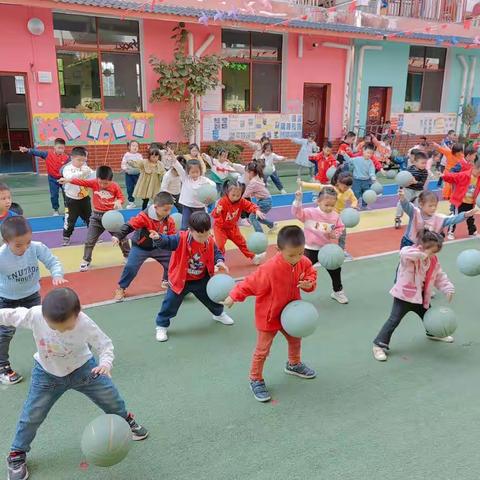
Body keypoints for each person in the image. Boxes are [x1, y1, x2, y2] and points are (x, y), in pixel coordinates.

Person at [2, 288, 148, 480]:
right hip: (47, 374)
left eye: (66, 327)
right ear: (44, 315)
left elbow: (105, 345)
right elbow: (8, 315)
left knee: (110, 397)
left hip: (84, 370)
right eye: (53, 326)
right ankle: (17, 453)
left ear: (77, 314)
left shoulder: (85, 323)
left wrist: (105, 363)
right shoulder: (35, 315)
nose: (59, 330)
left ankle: (125, 419)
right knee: (32, 414)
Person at [223, 225, 317, 402]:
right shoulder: (269, 269)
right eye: (291, 255)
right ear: (279, 250)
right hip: (269, 315)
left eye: (300, 252)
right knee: (262, 350)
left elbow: (311, 274)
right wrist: (233, 296)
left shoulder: (303, 262)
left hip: (291, 314)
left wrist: (309, 283)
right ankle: (255, 378)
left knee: (295, 340)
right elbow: (249, 283)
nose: (296, 258)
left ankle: (294, 363)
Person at [0, 216, 66, 386]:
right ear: (7, 242)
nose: (25, 247)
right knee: (4, 333)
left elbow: (52, 261)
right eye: (18, 245)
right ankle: (2, 367)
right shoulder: (1, 256)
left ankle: (54, 357)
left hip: (31, 296)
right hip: (6, 300)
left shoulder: (36, 248)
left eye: (28, 242)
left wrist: (57, 274)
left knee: (45, 325)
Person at [150, 211, 234, 343]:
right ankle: (161, 325)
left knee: (211, 299)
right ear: (190, 230)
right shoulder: (180, 238)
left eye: (206, 235)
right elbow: (167, 241)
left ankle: (218, 314)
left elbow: (217, 252)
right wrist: (158, 238)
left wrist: (220, 261)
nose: (203, 238)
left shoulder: (209, 240)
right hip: (180, 280)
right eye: (199, 236)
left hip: (201, 278)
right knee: (170, 303)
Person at [372, 230, 455, 362]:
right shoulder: (409, 255)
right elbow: (404, 253)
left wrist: (448, 289)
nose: (433, 255)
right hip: (404, 297)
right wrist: (421, 254)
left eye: (435, 252)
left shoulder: (432, 260)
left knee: (428, 316)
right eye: (432, 251)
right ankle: (379, 345)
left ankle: (432, 332)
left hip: (421, 296)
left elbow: (439, 276)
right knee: (394, 320)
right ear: (422, 247)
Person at [59, 166, 130, 271]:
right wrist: (68, 180)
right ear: (97, 179)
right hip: (96, 217)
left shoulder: (115, 186)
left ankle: (128, 256)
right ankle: (86, 260)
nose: (102, 185)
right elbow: (81, 182)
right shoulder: (94, 183)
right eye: (100, 182)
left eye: (106, 183)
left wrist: (118, 202)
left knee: (122, 238)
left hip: (111, 217)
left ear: (111, 180)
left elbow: (121, 198)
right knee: (89, 241)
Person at [112, 192, 176, 301]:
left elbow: (172, 238)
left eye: (170, 210)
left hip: (159, 247)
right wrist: (118, 236)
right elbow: (129, 226)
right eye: (165, 210)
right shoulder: (144, 217)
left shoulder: (169, 220)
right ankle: (121, 288)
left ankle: (167, 280)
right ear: (156, 207)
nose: (168, 212)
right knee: (131, 267)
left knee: (173, 261)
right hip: (140, 247)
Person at [292, 186, 348, 304]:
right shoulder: (309, 213)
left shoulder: (335, 216)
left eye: (332, 206)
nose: (329, 208)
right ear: (318, 201)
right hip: (308, 249)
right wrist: (298, 200)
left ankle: (337, 291)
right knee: (298, 272)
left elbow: (341, 227)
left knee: (335, 270)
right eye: (326, 205)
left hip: (326, 250)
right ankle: (292, 295)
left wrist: (335, 234)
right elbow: (297, 213)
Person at [298, 169, 357, 259]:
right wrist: (304, 184)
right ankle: (306, 245)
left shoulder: (349, 192)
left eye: (348, 187)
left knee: (342, 234)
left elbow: (354, 200)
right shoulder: (331, 189)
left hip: (338, 217)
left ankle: (342, 250)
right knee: (317, 229)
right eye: (345, 187)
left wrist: (353, 206)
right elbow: (319, 187)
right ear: (338, 182)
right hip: (325, 215)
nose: (346, 189)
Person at [212, 180, 266, 265]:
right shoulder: (223, 201)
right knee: (219, 245)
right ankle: (219, 261)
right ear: (227, 192)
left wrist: (256, 210)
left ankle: (254, 258)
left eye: (238, 195)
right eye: (233, 195)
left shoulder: (241, 201)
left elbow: (250, 205)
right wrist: (217, 211)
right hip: (220, 228)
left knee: (242, 243)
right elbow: (214, 215)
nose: (235, 197)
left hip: (233, 228)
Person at [398, 190, 474, 249]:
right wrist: (402, 198)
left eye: (435, 205)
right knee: (406, 265)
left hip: (425, 246)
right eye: (430, 206)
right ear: (421, 204)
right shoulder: (415, 213)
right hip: (408, 242)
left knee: (422, 265)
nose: (433, 208)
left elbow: (453, 219)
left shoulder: (438, 218)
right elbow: (407, 206)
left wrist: (465, 215)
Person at [19, 138, 69, 216]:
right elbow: (36, 152)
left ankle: (67, 208)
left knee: (67, 194)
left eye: (62, 148)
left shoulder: (66, 157)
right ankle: (55, 209)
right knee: (54, 195)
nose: (61, 150)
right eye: (59, 148)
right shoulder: (47, 154)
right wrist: (27, 150)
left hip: (63, 179)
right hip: (52, 179)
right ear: (54, 147)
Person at [171, 157, 216, 230]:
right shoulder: (185, 178)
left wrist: (209, 189)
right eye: (192, 172)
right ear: (188, 172)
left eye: (197, 172)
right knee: (184, 226)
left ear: (200, 171)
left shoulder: (203, 180)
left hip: (200, 207)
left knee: (201, 225)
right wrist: (172, 157)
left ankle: (202, 239)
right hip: (187, 206)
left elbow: (213, 184)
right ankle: (183, 238)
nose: (195, 174)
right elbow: (178, 168)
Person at [61, 146, 94, 246]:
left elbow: (93, 176)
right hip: (71, 199)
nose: (81, 163)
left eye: (83, 161)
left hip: (84, 198)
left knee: (90, 218)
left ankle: (93, 236)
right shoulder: (67, 168)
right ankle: (66, 237)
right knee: (70, 220)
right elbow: (69, 177)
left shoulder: (85, 168)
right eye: (79, 160)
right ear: (72, 158)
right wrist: (81, 173)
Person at [442, 158, 480, 239]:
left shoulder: (479, 179)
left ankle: (472, 232)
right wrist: (444, 176)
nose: (479, 174)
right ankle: (450, 232)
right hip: (459, 201)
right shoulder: (464, 175)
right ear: (474, 168)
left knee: (470, 217)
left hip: (470, 202)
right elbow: (453, 176)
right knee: (455, 216)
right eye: (479, 172)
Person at [394, 151, 430, 229]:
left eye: (425, 163)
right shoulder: (409, 169)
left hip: (418, 191)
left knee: (419, 205)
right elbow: (402, 180)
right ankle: (398, 218)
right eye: (422, 163)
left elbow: (422, 184)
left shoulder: (425, 172)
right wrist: (402, 187)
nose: (424, 165)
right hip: (408, 189)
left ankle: (417, 220)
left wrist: (415, 181)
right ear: (415, 162)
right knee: (402, 202)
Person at [243, 161, 276, 234]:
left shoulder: (253, 182)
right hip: (266, 200)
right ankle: (271, 225)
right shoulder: (258, 177)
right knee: (258, 217)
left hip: (264, 202)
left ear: (251, 173)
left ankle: (259, 234)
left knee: (252, 217)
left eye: (246, 173)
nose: (246, 175)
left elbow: (245, 195)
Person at [343, 143, 377, 209]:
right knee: (356, 193)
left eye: (371, 153)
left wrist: (373, 177)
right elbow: (349, 160)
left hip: (366, 181)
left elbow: (372, 170)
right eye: (368, 152)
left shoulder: (370, 162)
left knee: (366, 193)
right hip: (356, 180)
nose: (369, 155)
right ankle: (355, 204)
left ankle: (364, 205)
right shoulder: (357, 159)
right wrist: (345, 154)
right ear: (363, 151)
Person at [121, 140, 143, 209]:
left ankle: (145, 201)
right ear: (129, 147)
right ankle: (131, 203)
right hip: (129, 175)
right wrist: (125, 169)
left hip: (138, 174)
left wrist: (142, 170)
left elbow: (142, 164)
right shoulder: (127, 155)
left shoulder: (139, 155)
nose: (135, 147)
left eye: (137, 146)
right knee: (130, 188)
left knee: (141, 188)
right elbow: (123, 163)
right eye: (133, 145)